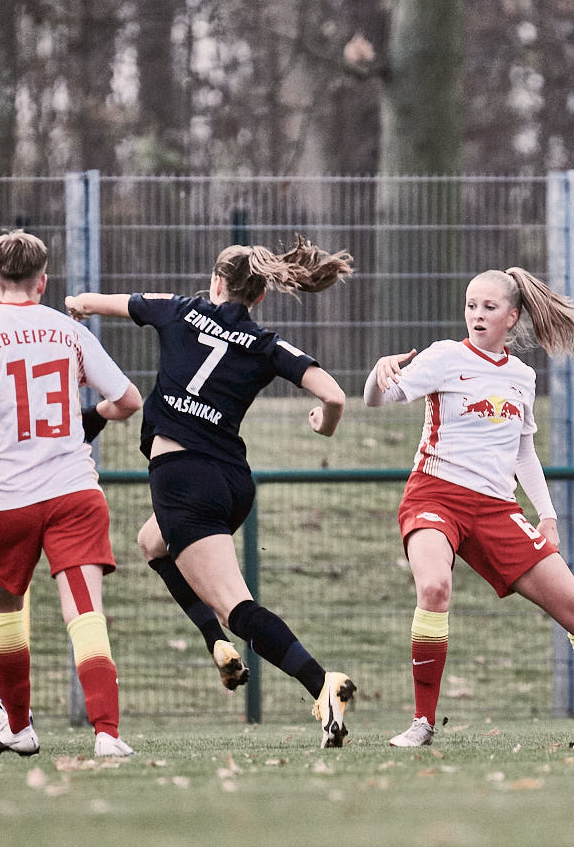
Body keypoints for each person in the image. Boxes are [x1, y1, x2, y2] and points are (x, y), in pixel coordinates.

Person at [365, 268, 574, 747]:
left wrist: (547, 515)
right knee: (435, 587)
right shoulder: (445, 357)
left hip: (496, 510)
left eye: (488, 307)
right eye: (470, 305)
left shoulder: (522, 377)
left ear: (513, 316)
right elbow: (378, 399)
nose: (477, 315)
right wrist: (379, 373)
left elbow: (523, 451)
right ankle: (422, 723)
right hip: (434, 494)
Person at [65, 238, 358, 747]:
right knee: (152, 543)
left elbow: (97, 303)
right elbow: (333, 393)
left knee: (236, 607)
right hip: (230, 482)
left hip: (183, 480)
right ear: (260, 296)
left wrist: (75, 304)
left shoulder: (178, 310)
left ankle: (321, 683)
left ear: (215, 283)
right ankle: (216, 645)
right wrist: (324, 425)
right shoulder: (266, 342)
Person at [0, 231, 144, 758]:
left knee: (5, 619)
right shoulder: (69, 331)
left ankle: (18, 727)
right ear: (43, 282)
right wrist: (88, 418)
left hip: (2, 498)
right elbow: (128, 399)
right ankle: (107, 735)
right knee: (85, 615)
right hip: (72, 492)